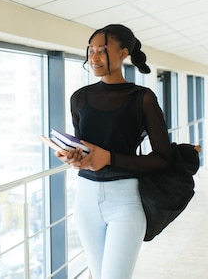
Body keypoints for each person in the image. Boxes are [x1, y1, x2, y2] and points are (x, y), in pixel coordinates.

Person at [56, 24, 172, 279]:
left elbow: (164, 159)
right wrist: (72, 157)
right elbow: (83, 148)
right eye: (91, 51)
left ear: (123, 53)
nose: (94, 57)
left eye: (102, 51)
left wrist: (109, 158)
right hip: (85, 200)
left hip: (125, 201)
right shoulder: (79, 98)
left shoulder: (142, 98)